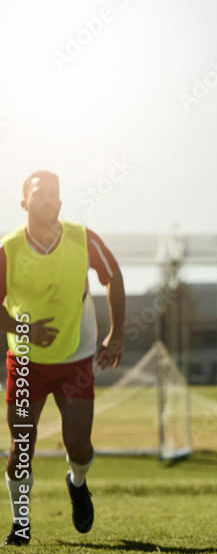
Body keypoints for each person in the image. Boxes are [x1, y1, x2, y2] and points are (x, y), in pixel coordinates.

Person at [0, 171, 125, 546]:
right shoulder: (8, 250)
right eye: (39, 194)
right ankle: (20, 526)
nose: (48, 199)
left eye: (54, 193)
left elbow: (113, 276)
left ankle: (78, 483)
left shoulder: (82, 238)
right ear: (24, 202)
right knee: (22, 445)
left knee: (79, 445)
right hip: (25, 360)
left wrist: (116, 334)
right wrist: (27, 332)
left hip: (75, 357)